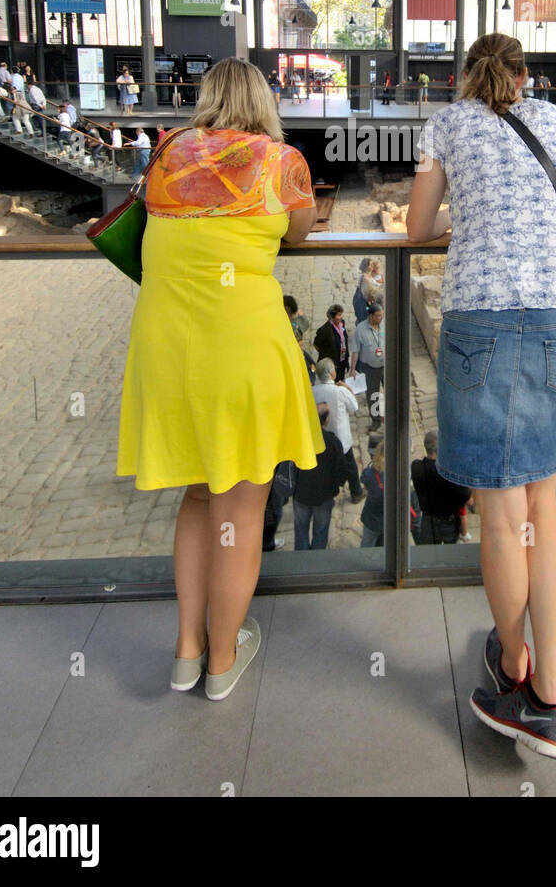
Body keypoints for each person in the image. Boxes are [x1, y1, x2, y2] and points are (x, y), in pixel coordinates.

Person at [406, 31, 556, 759]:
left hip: (480, 318)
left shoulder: (446, 123)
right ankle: (548, 689)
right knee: (542, 506)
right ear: (525, 75)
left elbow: (420, 227)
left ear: (464, 76)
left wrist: (463, 221)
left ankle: (511, 665)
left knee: (498, 510)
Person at [118, 57, 321, 700]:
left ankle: (185, 650)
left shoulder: (167, 152)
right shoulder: (279, 160)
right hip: (240, 349)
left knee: (200, 498)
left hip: (167, 347)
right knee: (241, 503)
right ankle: (223, 661)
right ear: (264, 101)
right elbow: (300, 231)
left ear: (206, 98)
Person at [292, 401, 346, 550]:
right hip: (324, 495)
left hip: (301, 493)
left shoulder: (300, 440)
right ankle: (317, 560)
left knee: (301, 530)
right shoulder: (333, 442)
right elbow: (341, 469)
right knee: (321, 531)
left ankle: (301, 559)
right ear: (326, 420)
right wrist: (338, 484)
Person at [312, 358, 362, 502]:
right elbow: (354, 407)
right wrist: (348, 389)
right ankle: (356, 492)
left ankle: (328, 495)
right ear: (331, 373)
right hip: (341, 438)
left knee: (326, 468)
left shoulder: (313, 391)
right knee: (350, 465)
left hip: (323, 437)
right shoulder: (339, 391)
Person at [411, 430, 472, 544]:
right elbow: (468, 500)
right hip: (449, 524)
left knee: (428, 557)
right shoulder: (450, 472)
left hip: (427, 522)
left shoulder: (416, 467)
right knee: (449, 556)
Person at [349, 301, 384, 428]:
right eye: (378, 316)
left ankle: (391, 416)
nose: (381, 318)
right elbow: (355, 350)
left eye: (382, 315)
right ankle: (376, 421)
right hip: (370, 368)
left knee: (392, 391)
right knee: (373, 395)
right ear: (371, 316)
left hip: (386, 365)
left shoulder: (385, 324)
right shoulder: (360, 329)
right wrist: (352, 368)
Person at [314, 304, 349, 382]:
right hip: (333, 361)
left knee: (341, 378)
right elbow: (316, 344)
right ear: (332, 317)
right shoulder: (325, 330)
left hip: (342, 359)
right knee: (335, 381)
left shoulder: (342, 323)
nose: (341, 317)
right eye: (339, 315)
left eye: (341, 314)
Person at [360, 440, 385, 547]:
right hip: (389, 521)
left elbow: (363, 481)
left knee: (367, 545)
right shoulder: (399, 473)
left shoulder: (369, 473)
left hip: (372, 520)